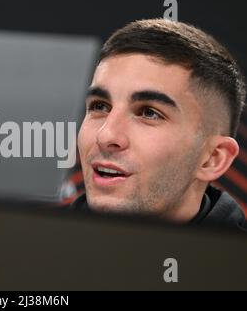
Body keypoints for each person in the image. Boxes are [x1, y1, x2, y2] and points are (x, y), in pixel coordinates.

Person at [71, 18, 247, 230]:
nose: (106, 135)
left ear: (212, 159)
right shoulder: (28, 251)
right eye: (100, 106)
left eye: (149, 113)